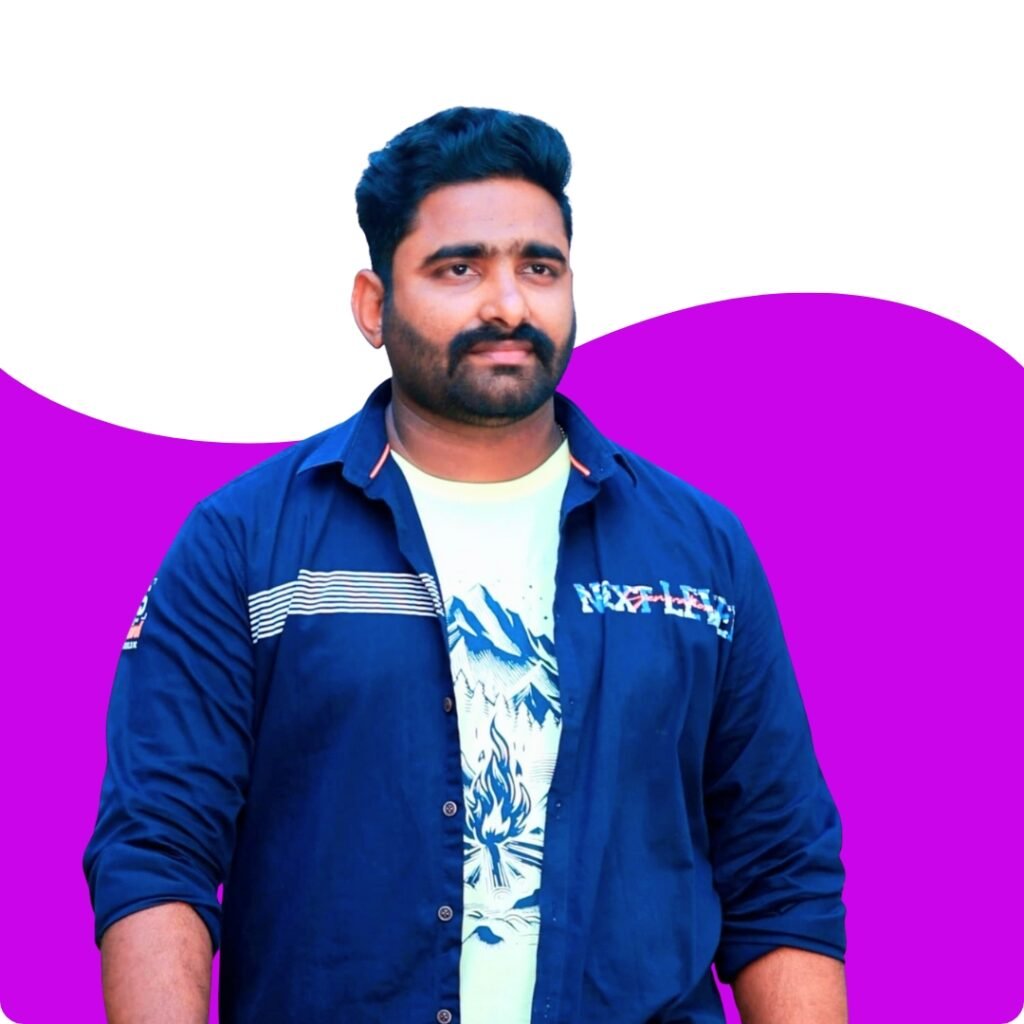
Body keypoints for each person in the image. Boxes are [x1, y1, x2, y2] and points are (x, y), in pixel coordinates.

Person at [84, 107, 847, 1024]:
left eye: (539, 267)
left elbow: (781, 872)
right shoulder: (246, 545)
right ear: (374, 305)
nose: (508, 305)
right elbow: (158, 849)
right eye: (460, 268)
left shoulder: (699, 556)